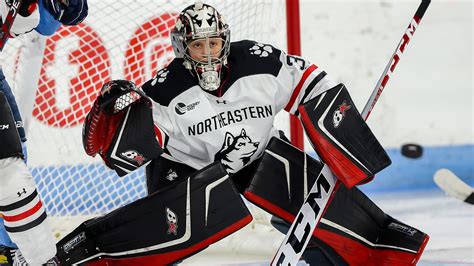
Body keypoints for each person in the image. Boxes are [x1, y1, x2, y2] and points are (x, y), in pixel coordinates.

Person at [56, 2, 428, 265]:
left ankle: (376, 248)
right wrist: (117, 124)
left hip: (256, 158)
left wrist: (339, 132)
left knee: (309, 199)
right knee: (174, 228)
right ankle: (95, 254)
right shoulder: (166, 90)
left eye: (213, 43)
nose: (207, 53)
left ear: (225, 40)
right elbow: (126, 151)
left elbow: (311, 81)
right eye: (197, 45)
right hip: (188, 169)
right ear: (181, 47)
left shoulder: (258, 61)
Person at [0, 0, 88, 264]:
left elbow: (48, 21)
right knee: (8, 169)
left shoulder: (29, 17)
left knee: (15, 153)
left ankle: (9, 251)